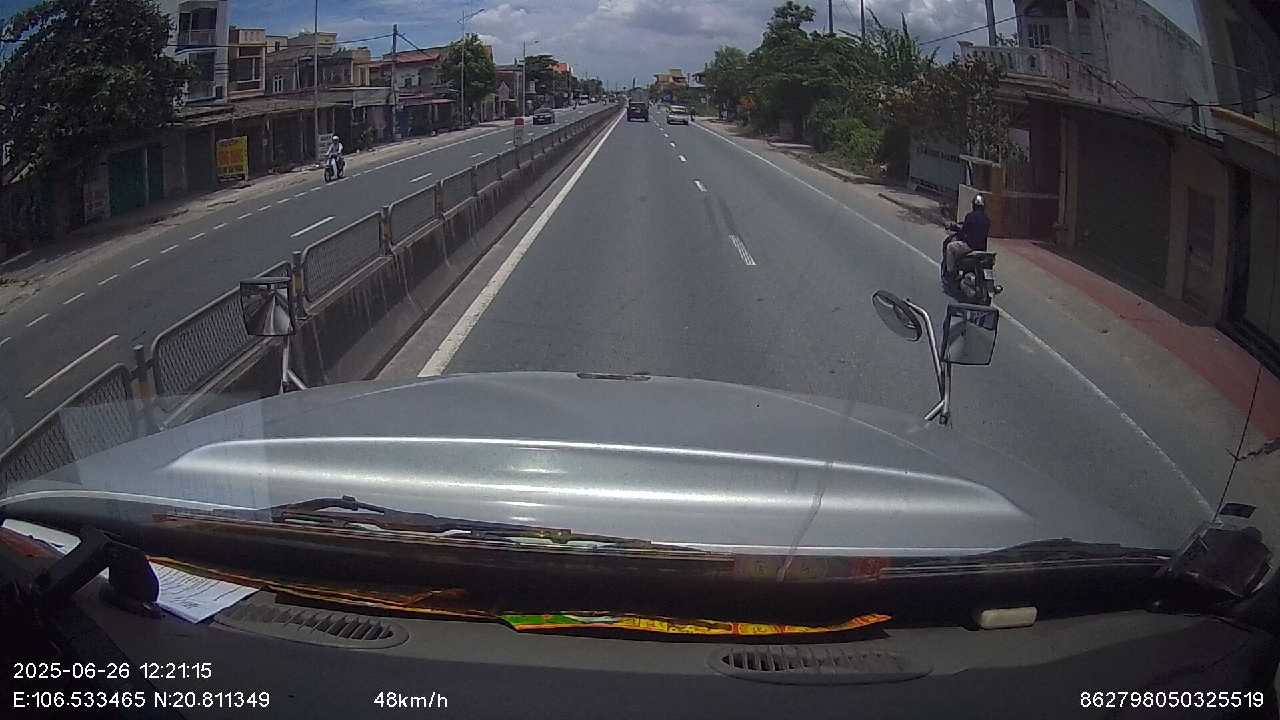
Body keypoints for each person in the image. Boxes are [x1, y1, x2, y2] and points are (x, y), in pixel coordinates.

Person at [944, 194, 991, 282]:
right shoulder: (986, 219)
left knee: (950, 247)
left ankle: (950, 273)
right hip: (982, 249)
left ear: (974, 205)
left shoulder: (970, 216)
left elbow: (963, 232)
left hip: (970, 247)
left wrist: (959, 234)